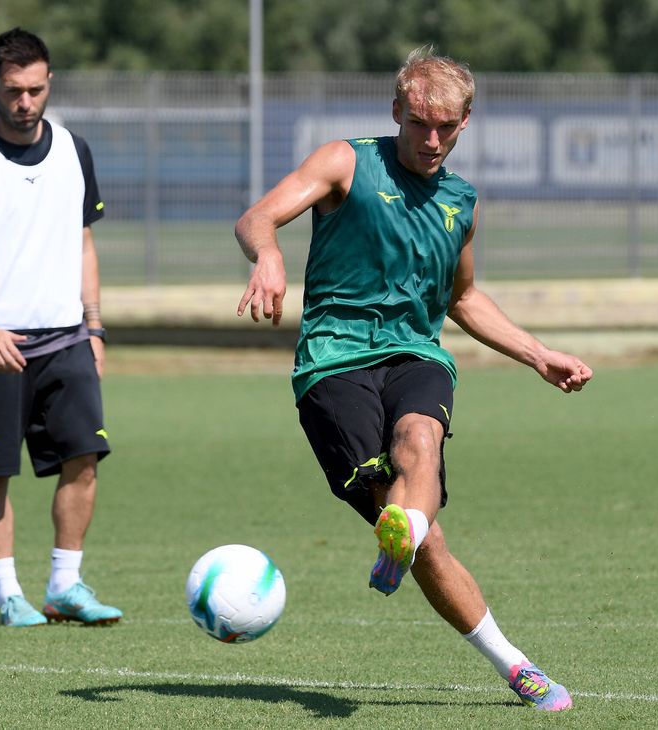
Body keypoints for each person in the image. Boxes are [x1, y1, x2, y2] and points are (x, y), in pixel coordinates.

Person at [234, 46, 591, 711]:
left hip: (415, 355)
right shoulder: (345, 162)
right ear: (396, 110)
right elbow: (256, 217)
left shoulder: (461, 201)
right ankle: (504, 653)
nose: (431, 140)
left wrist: (538, 354)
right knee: (430, 546)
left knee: (420, 440)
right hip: (334, 362)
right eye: (419, 122)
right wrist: (269, 255)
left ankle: (406, 532)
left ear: (465, 124)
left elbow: (462, 298)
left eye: (446, 127)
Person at [0, 27, 121, 628]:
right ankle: (9, 594)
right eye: (13, 90)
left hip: (65, 335)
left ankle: (65, 585)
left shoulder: (73, 149)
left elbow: (83, 244)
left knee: (84, 457)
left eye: (36, 90)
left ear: (49, 83)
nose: (25, 102)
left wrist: (94, 328)